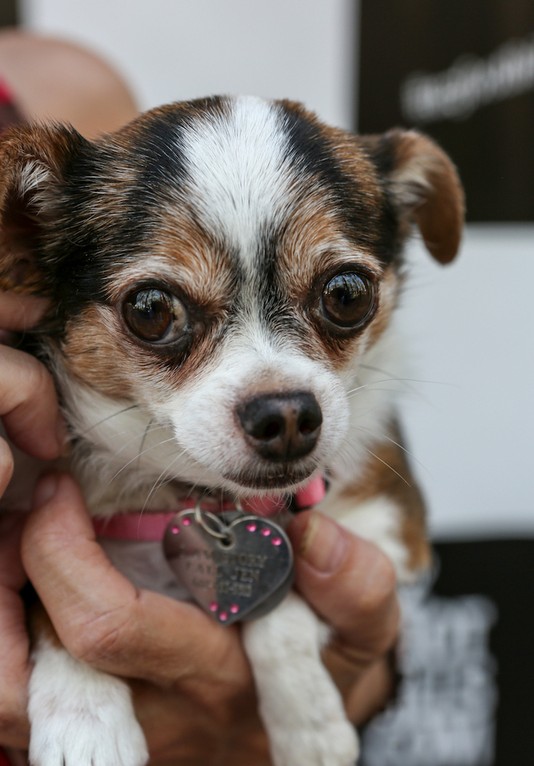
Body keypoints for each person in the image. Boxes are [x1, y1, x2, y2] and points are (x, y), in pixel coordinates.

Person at [0, 30, 399, 765]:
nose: (282, 403)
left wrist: (302, 652)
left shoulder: (65, 81)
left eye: (341, 298)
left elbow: (375, 663)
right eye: (156, 313)